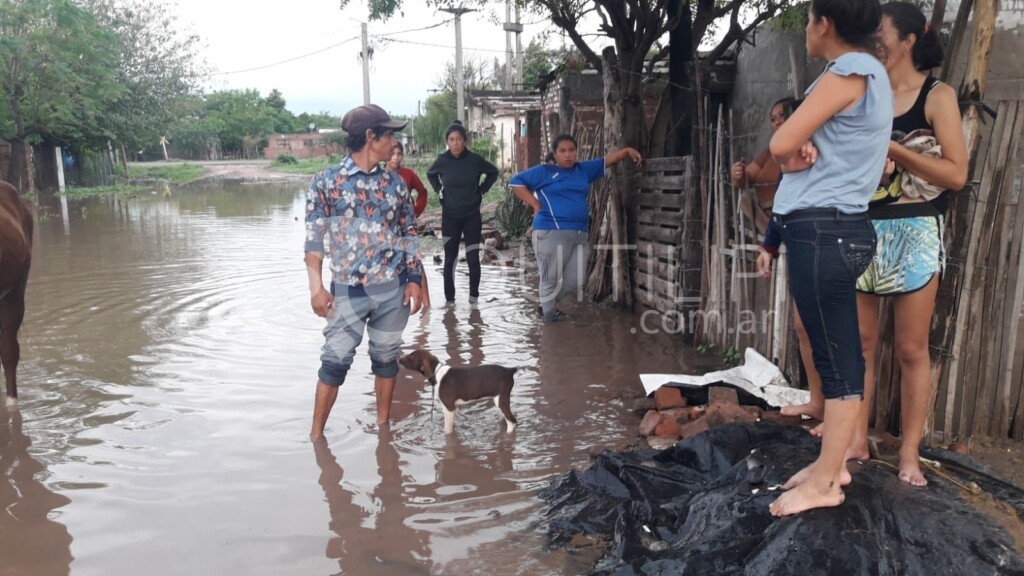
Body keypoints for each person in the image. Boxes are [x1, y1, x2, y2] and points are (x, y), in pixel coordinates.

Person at [766, 0, 892, 517]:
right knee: (832, 352)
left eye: (810, 21)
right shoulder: (866, 76)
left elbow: (780, 142)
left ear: (826, 24)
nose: (805, 32)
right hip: (831, 229)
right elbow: (803, 147)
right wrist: (800, 151)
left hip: (825, 230)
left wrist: (791, 149)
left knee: (839, 363)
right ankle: (831, 465)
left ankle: (825, 484)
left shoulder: (851, 70)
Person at [848, 1, 968, 486]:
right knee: (860, 345)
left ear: (909, 39)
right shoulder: (863, 93)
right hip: (863, 228)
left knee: (912, 348)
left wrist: (893, 148)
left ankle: (910, 453)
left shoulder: (938, 96)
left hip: (916, 229)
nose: (874, 40)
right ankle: (855, 437)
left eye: (881, 32)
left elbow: (957, 174)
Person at [304, 104, 428, 439]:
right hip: (347, 292)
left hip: (392, 293)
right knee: (333, 364)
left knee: (386, 361)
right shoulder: (325, 183)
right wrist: (316, 288)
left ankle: (383, 431)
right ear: (371, 136)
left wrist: (414, 278)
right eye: (389, 135)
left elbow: (409, 234)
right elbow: (313, 242)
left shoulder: (395, 184)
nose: (394, 143)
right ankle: (316, 438)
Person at [509, 134, 642, 322]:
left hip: (580, 234)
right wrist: (536, 205)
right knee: (550, 279)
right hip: (550, 231)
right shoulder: (544, 171)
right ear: (555, 154)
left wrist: (627, 151)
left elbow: (608, 160)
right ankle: (549, 328)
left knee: (577, 279)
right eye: (562, 151)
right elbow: (515, 182)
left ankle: (547, 306)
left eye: (571, 150)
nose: (568, 155)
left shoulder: (583, 170)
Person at [426, 120, 500, 304]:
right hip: (450, 216)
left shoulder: (474, 160)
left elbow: (493, 172)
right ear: (447, 142)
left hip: (471, 215)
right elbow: (430, 174)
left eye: (459, 139)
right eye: (451, 139)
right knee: (450, 258)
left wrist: (482, 189)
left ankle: (474, 299)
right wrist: (439, 189)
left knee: (472, 255)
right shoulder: (442, 161)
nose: (455, 143)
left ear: (465, 141)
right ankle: (449, 302)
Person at [731, 97, 794, 235]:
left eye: (782, 115)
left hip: (791, 225)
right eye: (773, 119)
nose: (777, 121)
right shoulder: (769, 153)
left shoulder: (804, 150)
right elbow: (747, 177)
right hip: (764, 229)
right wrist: (738, 174)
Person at [387, 141, 428, 218]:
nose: (396, 158)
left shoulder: (409, 174)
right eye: (392, 153)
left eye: (399, 154)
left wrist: (416, 211)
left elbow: (423, 192)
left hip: (407, 219)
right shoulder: (378, 175)